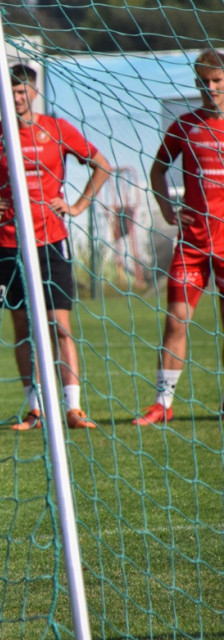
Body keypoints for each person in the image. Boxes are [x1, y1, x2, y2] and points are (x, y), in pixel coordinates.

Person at [0, 64, 110, 430]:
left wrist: (75, 206)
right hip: (10, 244)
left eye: (22, 90)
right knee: (24, 327)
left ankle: (73, 408)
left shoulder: (57, 129)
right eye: (10, 91)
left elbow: (101, 165)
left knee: (59, 326)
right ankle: (35, 408)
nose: (16, 96)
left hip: (52, 242)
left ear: (34, 92)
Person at [134, 49, 224, 426]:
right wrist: (167, 208)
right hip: (193, 243)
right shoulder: (185, 126)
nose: (211, 88)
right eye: (204, 81)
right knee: (176, 320)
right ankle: (163, 403)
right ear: (195, 83)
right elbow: (157, 171)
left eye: (217, 81)